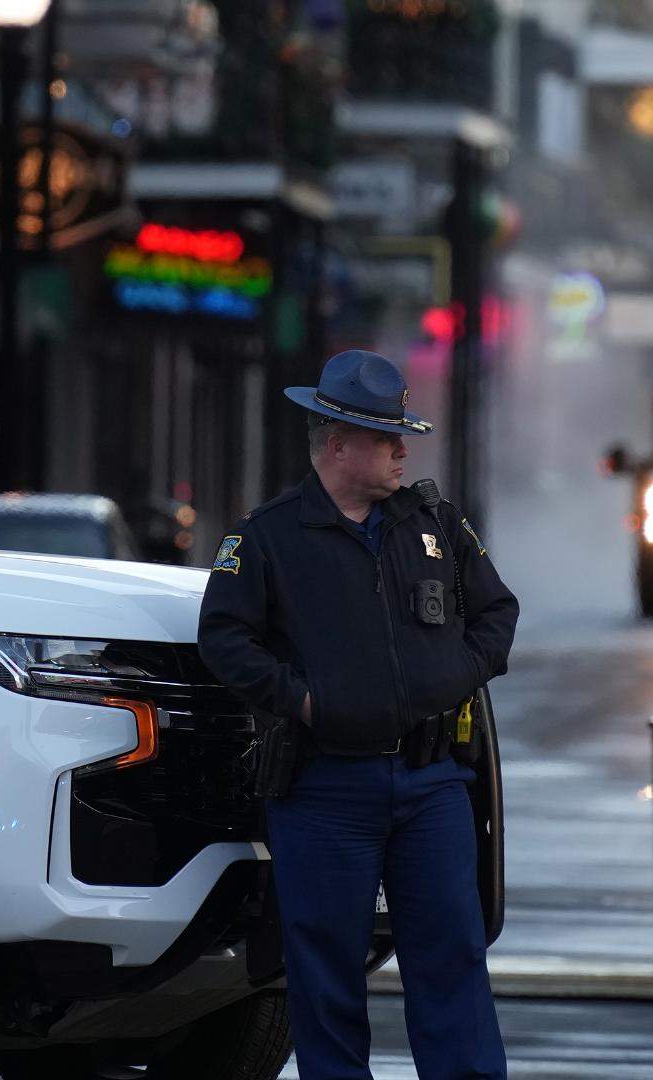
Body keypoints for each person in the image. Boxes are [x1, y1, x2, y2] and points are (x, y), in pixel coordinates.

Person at [197, 349, 519, 1080]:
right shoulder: (268, 537)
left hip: (433, 782)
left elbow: (497, 612)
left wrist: (453, 675)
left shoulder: (434, 521)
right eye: (387, 437)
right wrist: (303, 700)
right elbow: (223, 637)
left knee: (453, 958)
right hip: (324, 791)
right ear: (337, 444)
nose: (404, 450)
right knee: (325, 974)